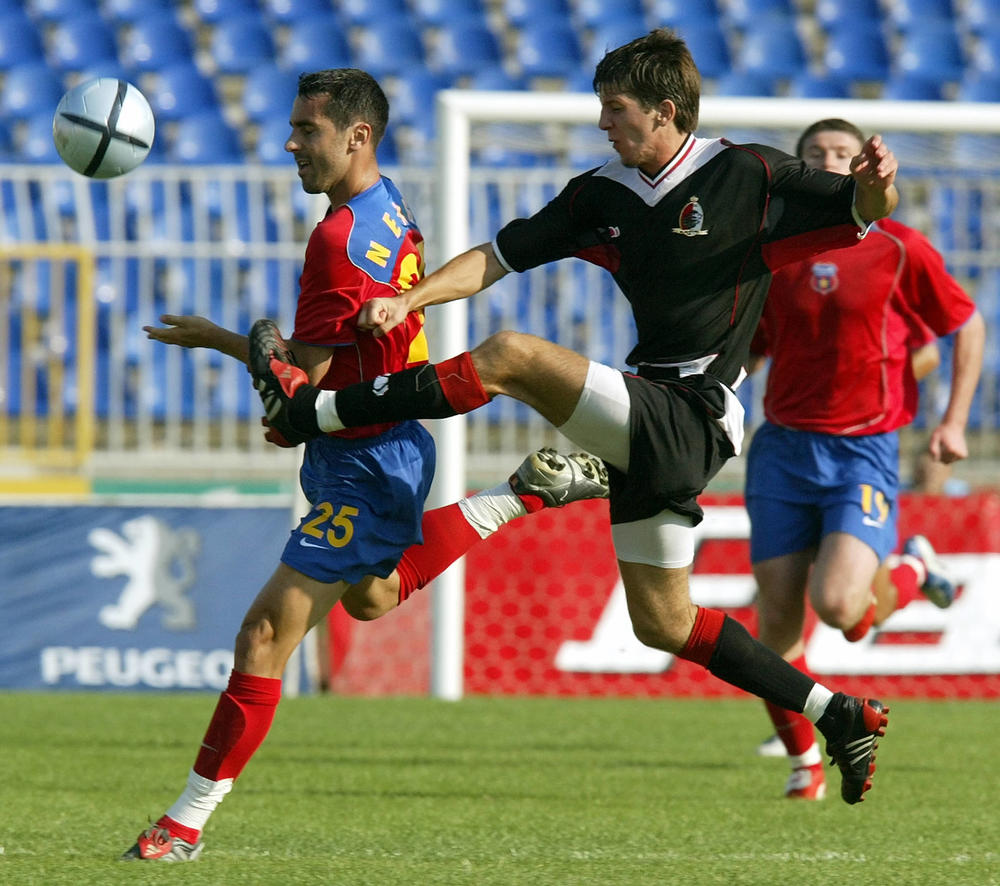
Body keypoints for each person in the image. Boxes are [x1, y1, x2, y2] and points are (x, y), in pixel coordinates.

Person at [252, 30, 900, 806]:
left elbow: (863, 211)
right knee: (664, 623)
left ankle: (320, 412)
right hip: (648, 415)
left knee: (512, 356)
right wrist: (411, 299)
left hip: (694, 415)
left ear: (664, 112)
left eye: (614, 109)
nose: (602, 123)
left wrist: (874, 185)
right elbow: (497, 255)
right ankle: (839, 712)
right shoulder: (603, 193)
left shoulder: (750, 172)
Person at [121, 68, 609, 863]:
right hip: (386, 444)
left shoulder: (336, 239)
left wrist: (263, 368)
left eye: (305, 130)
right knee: (375, 596)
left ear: (357, 137)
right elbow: (332, 351)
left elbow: (298, 394)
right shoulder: (385, 210)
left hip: (361, 457)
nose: (289, 144)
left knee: (263, 636)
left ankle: (183, 823)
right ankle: (523, 493)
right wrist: (235, 342)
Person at [744, 118, 984, 798]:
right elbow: (755, 343)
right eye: (816, 154)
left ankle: (912, 566)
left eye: (842, 154)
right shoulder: (777, 251)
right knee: (777, 629)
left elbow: (966, 324)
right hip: (783, 447)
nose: (829, 163)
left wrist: (954, 420)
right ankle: (802, 764)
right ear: (800, 169)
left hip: (863, 452)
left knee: (845, 610)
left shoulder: (901, 247)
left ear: (863, 167)